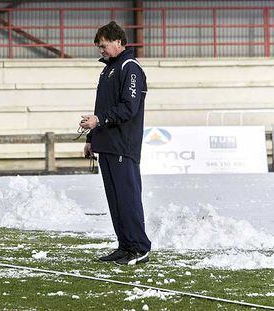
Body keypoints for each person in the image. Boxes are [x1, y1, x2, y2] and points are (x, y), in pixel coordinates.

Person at [79, 21, 151, 265]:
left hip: (123, 146)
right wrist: (92, 138)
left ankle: (140, 247)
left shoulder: (130, 68)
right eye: (99, 46)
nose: (100, 50)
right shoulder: (108, 69)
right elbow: (103, 108)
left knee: (128, 198)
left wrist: (99, 120)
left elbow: (129, 107)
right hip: (107, 145)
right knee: (115, 200)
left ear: (118, 42)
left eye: (103, 45)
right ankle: (125, 245)